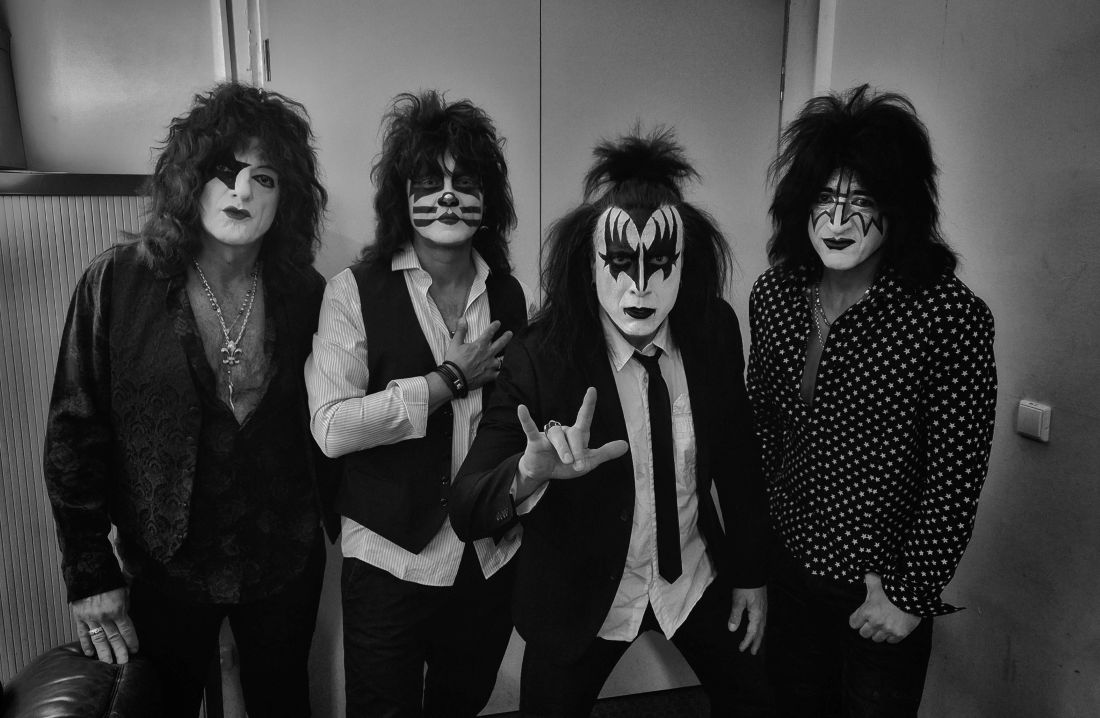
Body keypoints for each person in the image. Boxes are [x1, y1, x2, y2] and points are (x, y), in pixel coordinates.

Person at [451, 129, 770, 717]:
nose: (640, 285)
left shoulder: (712, 331)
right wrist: (526, 476)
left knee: (756, 699)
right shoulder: (541, 355)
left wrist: (750, 573)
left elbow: (738, 458)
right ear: (589, 261)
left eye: (660, 264)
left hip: (691, 579)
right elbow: (468, 504)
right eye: (620, 263)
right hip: (582, 595)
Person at [42, 82, 334, 717]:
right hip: (162, 564)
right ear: (189, 179)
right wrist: (90, 573)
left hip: (282, 559)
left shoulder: (308, 293)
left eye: (265, 178)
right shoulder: (117, 281)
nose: (242, 192)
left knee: (284, 702)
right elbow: (73, 434)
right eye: (225, 171)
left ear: (286, 198)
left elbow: (333, 415)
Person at [747, 84, 998, 717]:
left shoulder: (948, 316)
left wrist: (911, 597)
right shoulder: (775, 294)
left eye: (862, 202)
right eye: (824, 199)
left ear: (899, 208)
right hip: (788, 567)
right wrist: (755, 553)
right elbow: (762, 426)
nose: (838, 221)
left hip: (878, 589)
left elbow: (955, 472)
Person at [305, 90, 532, 718]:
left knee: (463, 703)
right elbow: (331, 428)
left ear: (489, 199)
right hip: (388, 560)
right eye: (431, 182)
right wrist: (445, 381)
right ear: (401, 197)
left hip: (486, 556)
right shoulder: (352, 292)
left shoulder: (512, 298)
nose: (449, 197)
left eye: (466, 182)